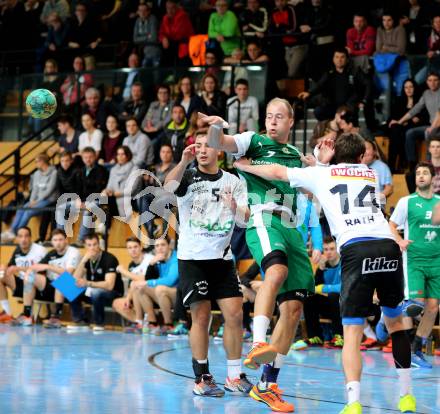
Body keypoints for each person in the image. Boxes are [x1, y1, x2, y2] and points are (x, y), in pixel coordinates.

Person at [233, 133, 416, 414]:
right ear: (360, 157)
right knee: (397, 324)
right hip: (388, 246)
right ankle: (406, 397)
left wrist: (247, 167)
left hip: (356, 249)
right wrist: (318, 163)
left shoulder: (323, 175)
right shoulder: (368, 173)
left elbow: (277, 171)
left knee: (351, 333)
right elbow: (338, 173)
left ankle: (353, 403)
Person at [199, 98, 315, 412]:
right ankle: (259, 341)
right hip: (264, 218)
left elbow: (312, 188)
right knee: (275, 273)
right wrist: (216, 127)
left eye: (279, 117)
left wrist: (320, 164)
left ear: (292, 122)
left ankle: (267, 385)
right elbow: (220, 143)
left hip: (293, 228)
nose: (273, 121)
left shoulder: (295, 155)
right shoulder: (254, 140)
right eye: (269, 116)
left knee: (292, 312)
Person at [165, 133, 252, 397]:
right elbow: (167, 188)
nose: (202, 150)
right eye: (198, 146)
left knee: (235, 315)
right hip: (193, 259)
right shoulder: (188, 176)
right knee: (201, 317)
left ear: (219, 151)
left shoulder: (233, 181)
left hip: (222, 259)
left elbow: (245, 220)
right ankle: (202, 377)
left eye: (208, 146)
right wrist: (182, 161)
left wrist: (235, 207)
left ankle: (235, 376)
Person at [389, 162, 440, 370]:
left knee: (433, 307)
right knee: (415, 305)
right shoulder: (407, 202)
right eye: (418, 173)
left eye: (425, 173)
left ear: (433, 178)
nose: (420, 176)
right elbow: (392, 224)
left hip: (436, 261)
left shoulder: (439, 202)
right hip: (414, 260)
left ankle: (416, 349)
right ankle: (389, 318)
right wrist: (399, 241)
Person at [22, 229, 81, 328]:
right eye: (55, 240)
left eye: (60, 240)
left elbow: (69, 273)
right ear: (52, 242)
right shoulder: (51, 254)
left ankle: (56, 318)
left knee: (62, 279)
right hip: (53, 287)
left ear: (66, 240)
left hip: (72, 287)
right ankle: (27, 314)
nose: (58, 243)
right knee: (29, 277)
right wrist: (29, 271)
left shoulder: (73, 252)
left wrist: (49, 267)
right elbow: (36, 267)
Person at [298, 48, 372, 128]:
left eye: (342, 57)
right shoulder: (329, 73)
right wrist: (309, 93)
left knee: (347, 118)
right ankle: (330, 128)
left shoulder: (355, 71)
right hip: (332, 106)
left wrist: (364, 100)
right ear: (333, 59)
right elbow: (319, 85)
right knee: (318, 111)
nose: (339, 60)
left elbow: (368, 84)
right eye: (336, 57)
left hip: (348, 107)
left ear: (347, 59)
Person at [293, 236, 342, 350]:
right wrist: (320, 269)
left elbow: (343, 287)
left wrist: (323, 288)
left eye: (332, 249)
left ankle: (339, 336)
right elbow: (314, 288)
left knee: (334, 295)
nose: (329, 252)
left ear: (337, 249)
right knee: (310, 297)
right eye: (326, 249)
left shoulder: (344, 263)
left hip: (344, 305)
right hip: (330, 306)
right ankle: (315, 336)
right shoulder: (323, 267)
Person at [70, 233, 123, 331]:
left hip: (113, 293)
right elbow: (74, 280)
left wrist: (88, 283)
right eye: (89, 245)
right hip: (93, 292)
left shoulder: (109, 259)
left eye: (95, 244)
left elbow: (110, 285)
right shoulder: (87, 260)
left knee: (96, 292)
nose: (92, 248)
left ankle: (99, 323)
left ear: (99, 244)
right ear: (85, 246)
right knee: (67, 285)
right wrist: (83, 261)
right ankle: (80, 321)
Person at [1, 153, 58, 243]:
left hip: (48, 200)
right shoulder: (36, 173)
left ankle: (17, 233)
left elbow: (49, 190)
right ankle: (12, 231)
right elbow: (34, 189)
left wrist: (37, 201)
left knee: (28, 212)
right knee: (21, 209)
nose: (35, 163)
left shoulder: (54, 172)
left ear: (42, 162)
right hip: (36, 200)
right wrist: (32, 200)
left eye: (36, 161)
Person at [389, 73, 440, 169]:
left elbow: (439, 114)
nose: (432, 83)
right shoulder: (426, 94)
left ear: (439, 81)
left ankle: (429, 165)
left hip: (437, 126)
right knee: (410, 133)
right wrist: (399, 122)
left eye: (435, 80)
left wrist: (432, 127)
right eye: (430, 80)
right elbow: (415, 110)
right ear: (427, 82)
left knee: (428, 133)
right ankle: (411, 164)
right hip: (431, 126)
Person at [130, 238, 179, 335]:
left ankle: (169, 324)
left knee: (160, 289)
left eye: (163, 245)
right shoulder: (158, 259)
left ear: (169, 246)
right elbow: (148, 278)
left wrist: (149, 283)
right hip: (163, 295)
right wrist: (151, 264)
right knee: (138, 286)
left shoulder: (176, 258)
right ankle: (152, 322)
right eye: (157, 246)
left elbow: (170, 281)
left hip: (179, 295)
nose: (160, 248)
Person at [0, 227, 47, 325]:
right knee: (1, 275)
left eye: (26, 236)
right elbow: (10, 267)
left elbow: (43, 270)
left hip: (38, 286)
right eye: (20, 236)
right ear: (17, 238)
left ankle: (27, 315)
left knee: (29, 277)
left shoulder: (40, 250)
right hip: (23, 285)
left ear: (31, 238)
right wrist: (4, 267)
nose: (23, 239)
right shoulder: (17, 251)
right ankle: (7, 312)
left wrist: (19, 269)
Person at [112, 237, 153, 330]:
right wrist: (128, 298)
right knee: (117, 303)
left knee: (136, 284)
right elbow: (132, 284)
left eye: (135, 247)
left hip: (150, 292)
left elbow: (143, 279)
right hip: (137, 293)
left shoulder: (149, 259)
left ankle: (140, 321)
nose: (133, 250)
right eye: (130, 248)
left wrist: (123, 271)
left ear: (141, 247)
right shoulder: (131, 265)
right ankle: (140, 323)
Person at [387, 79, 426, 173]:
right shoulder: (399, 100)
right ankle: (393, 165)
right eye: (406, 87)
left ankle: (395, 164)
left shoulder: (421, 101)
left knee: (399, 130)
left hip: (412, 129)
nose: (408, 89)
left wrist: (405, 121)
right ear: (403, 89)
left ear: (415, 88)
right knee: (396, 129)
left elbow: (422, 119)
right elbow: (392, 118)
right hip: (399, 129)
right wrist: (406, 121)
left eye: (411, 87)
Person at [74, 147, 108, 245]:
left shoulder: (101, 170)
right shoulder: (80, 171)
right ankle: (60, 238)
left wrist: (86, 201)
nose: (88, 159)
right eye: (85, 157)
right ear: (82, 158)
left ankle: (81, 239)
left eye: (90, 157)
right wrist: (78, 199)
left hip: (97, 199)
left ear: (95, 157)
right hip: (83, 201)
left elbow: (99, 188)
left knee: (88, 209)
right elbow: (77, 188)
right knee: (62, 207)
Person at [159, 0, 194, 66]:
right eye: (168, 8)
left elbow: (177, 34)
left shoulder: (183, 16)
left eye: (172, 8)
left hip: (183, 46)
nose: (170, 10)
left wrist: (166, 37)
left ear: (177, 8)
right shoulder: (165, 17)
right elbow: (161, 32)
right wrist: (163, 38)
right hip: (172, 45)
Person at [362, 140, 393, 206]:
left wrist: (374, 199)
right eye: (361, 149)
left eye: (367, 149)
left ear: (375, 151)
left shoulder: (382, 167)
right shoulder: (355, 166)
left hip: (376, 207)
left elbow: (389, 189)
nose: (364, 152)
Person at [132, 2, 161, 67]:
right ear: (138, 12)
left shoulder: (153, 19)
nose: (142, 13)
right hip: (144, 53)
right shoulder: (137, 21)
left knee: (156, 74)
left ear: (148, 12)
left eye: (144, 11)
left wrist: (141, 38)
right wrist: (147, 36)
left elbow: (153, 38)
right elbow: (135, 39)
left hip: (155, 51)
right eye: (140, 11)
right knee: (143, 72)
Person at [414, 15, 440, 85]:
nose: (438, 24)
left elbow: (435, 52)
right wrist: (428, 52)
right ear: (433, 24)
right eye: (436, 22)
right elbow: (425, 48)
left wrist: (436, 52)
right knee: (417, 79)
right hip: (431, 64)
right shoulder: (429, 34)